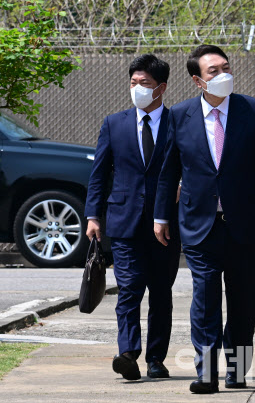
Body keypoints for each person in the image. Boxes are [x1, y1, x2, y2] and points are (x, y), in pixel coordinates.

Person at [153, 45, 255, 394]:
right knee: (205, 298)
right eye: (213, 70)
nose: (223, 74)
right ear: (198, 80)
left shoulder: (252, 109)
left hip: (245, 224)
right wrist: (161, 215)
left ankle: (237, 370)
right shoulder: (179, 115)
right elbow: (168, 172)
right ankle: (206, 372)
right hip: (200, 225)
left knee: (243, 300)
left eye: (225, 67)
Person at [85, 54, 181, 382]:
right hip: (123, 220)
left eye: (146, 84)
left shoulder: (177, 122)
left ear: (162, 88)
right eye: (133, 83)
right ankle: (128, 353)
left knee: (161, 292)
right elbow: (99, 173)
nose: (138, 88)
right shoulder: (114, 123)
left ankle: (156, 357)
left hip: (165, 223)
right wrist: (93, 215)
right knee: (129, 288)